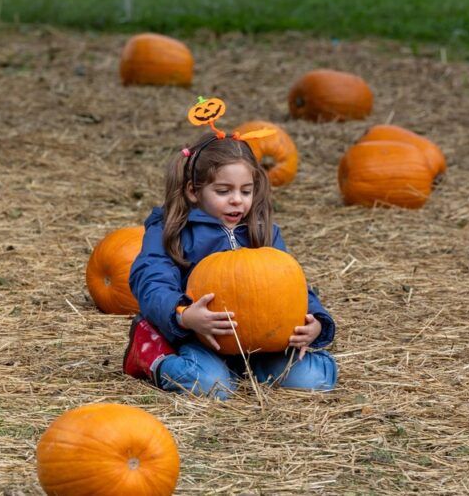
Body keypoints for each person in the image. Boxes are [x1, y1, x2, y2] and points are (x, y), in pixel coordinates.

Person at [122, 126, 338, 399]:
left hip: (262, 345)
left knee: (316, 379)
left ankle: (242, 370)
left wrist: (315, 321)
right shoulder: (171, 231)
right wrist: (184, 316)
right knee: (212, 386)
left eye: (246, 191)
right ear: (193, 191)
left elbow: (292, 285)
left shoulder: (263, 231)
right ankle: (152, 354)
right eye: (224, 191)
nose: (237, 200)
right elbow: (151, 281)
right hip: (198, 337)